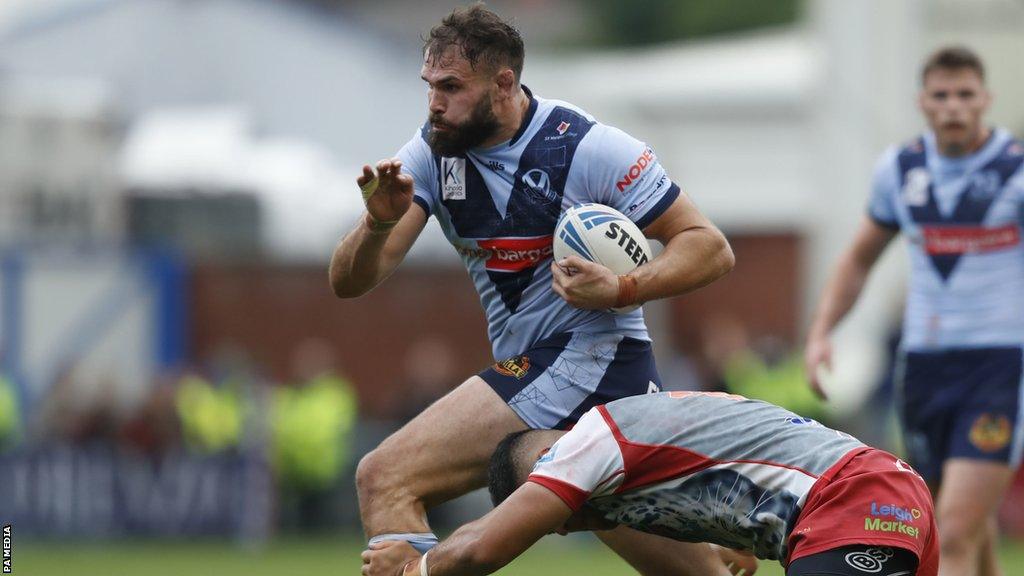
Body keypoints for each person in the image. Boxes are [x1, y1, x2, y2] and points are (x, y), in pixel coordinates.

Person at [329, 4, 739, 574]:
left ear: (503, 84)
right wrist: (374, 225)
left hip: (590, 359)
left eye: (451, 87)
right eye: (429, 86)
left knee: (386, 476)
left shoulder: (588, 147)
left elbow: (709, 246)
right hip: (550, 373)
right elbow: (350, 283)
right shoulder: (427, 154)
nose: (434, 103)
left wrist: (623, 287)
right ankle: (716, 549)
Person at [804, 46, 1024, 576]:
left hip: (996, 366)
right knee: (963, 521)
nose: (953, 106)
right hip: (922, 366)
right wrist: (821, 333)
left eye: (965, 94)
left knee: (952, 527)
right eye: (942, 95)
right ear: (922, 102)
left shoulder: (1015, 170)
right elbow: (859, 258)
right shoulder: (901, 170)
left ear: (985, 100)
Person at [361, 390, 939, 576]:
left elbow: (483, 546)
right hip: (876, 497)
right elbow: (743, 459)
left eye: (549, 520)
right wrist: (734, 544)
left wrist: (411, 568)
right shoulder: (632, 445)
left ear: (543, 475)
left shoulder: (584, 444)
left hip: (857, 500)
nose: (563, 532)